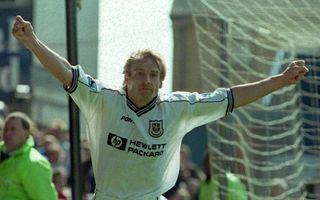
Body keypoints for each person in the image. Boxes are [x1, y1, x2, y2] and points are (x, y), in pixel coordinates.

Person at [11, 15, 309, 200]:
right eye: (139, 74)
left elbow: (230, 97)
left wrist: (279, 80)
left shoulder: (177, 108)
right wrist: (32, 41)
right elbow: (65, 72)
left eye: (153, 75)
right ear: (125, 78)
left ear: (161, 81)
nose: (147, 80)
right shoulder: (103, 99)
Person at [0, 112, 57, 199]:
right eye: (5, 129)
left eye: (13, 129)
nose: (8, 133)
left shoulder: (34, 162)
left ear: (27, 133)